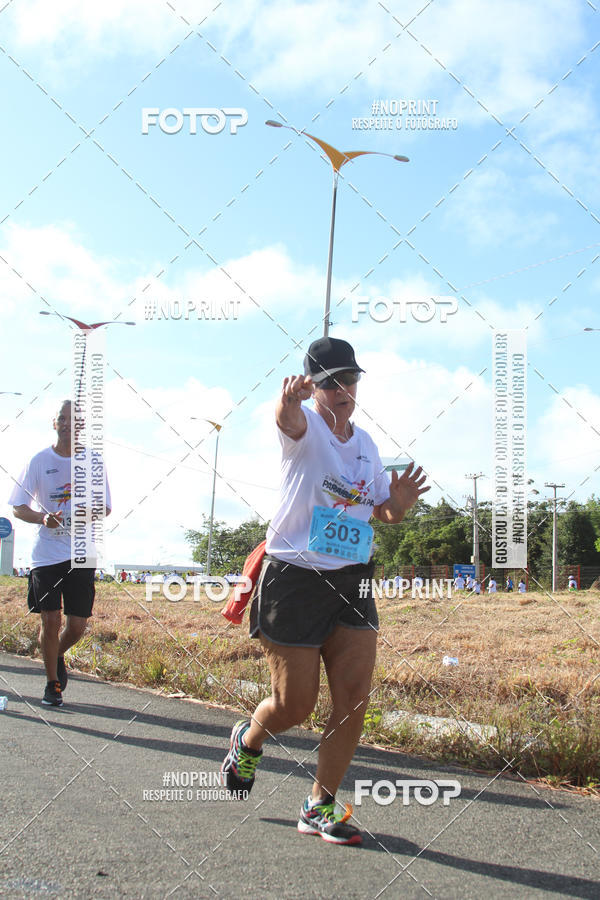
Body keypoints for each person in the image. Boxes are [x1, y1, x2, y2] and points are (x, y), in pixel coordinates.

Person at [220, 337, 429, 845]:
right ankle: (249, 739)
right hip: (294, 578)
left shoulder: (367, 445)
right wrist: (287, 401)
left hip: (352, 580)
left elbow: (382, 511)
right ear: (313, 387)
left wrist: (399, 503)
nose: (342, 390)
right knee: (294, 706)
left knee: (353, 700)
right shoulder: (306, 427)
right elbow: (286, 420)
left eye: (349, 380)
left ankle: (319, 804)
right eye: (331, 382)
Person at [9, 400, 111, 707]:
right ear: (54, 423)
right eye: (62, 418)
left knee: (77, 626)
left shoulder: (93, 461)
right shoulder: (39, 460)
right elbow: (18, 507)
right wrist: (43, 518)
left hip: (81, 553)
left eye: (74, 419)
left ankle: (55, 656)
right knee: (50, 620)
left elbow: (105, 507)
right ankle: (52, 684)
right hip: (46, 555)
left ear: (82, 425)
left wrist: (83, 513)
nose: (68, 424)